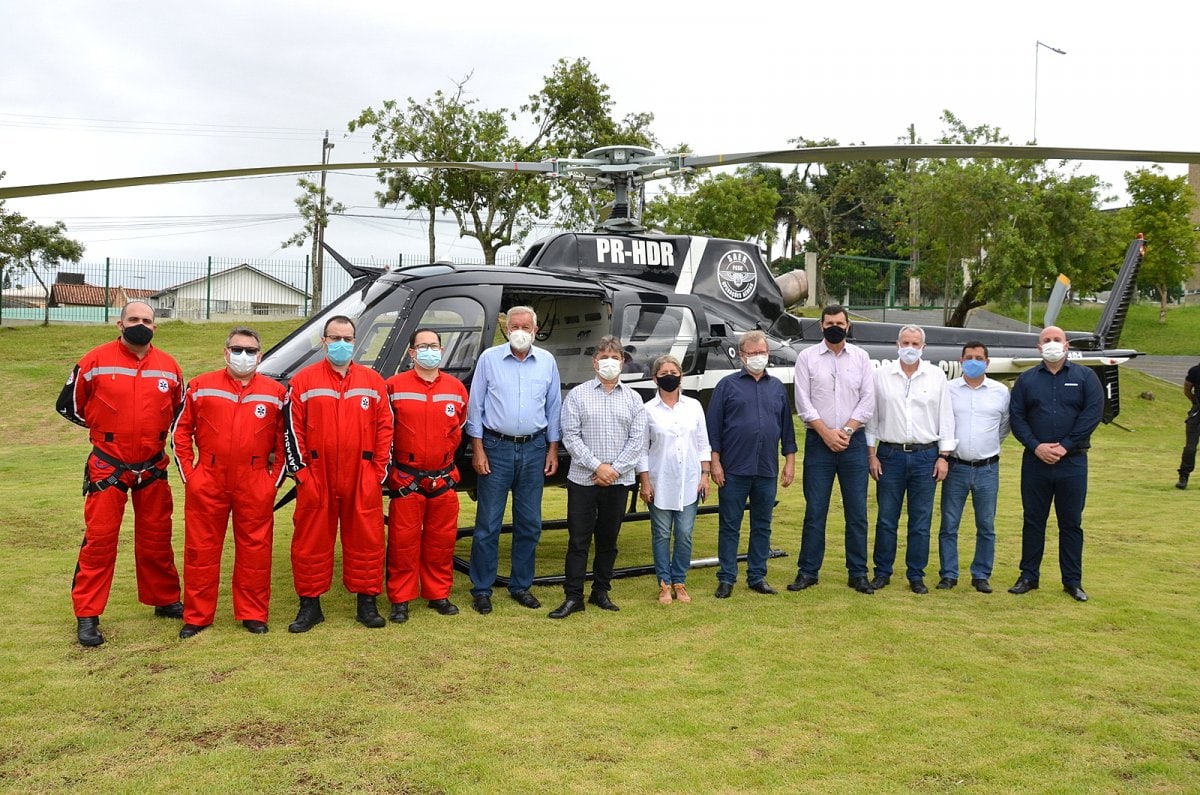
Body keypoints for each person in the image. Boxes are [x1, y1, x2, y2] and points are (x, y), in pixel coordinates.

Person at [56, 300, 184, 647]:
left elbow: (176, 411)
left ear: (155, 326)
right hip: (107, 464)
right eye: (133, 319)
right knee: (100, 540)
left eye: (146, 320)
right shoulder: (95, 360)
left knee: (157, 537)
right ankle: (87, 613)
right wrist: (105, 429)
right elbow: (69, 406)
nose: (140, 324)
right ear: (119, 323)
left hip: (153, 464)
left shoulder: (169, 366)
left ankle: (165, 599)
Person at [171, 326, 285, 637]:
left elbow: (284, 442)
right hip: (208, 478)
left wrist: (271, 481)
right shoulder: (201, 386)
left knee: (256, 550)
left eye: (250, 351)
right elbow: (180, 433)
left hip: (255, 479)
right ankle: (197, 616)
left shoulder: (275, 393)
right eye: (237, 349)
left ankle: (253, 613)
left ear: (260, 356)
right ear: (226, 352)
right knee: (200, 550)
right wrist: (191, 476)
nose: (243, 356)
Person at [283, 315, 393, 631]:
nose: (341, 344)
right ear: (324, 341)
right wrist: (302, 473)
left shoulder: (373, 382)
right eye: (335, 338)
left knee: (368, 539)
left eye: (347, 339)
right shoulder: (303, 381)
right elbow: (292, 431)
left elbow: (386, 428)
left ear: (355, 342)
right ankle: (309, 606)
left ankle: (367, 603)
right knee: (310, 541)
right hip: (317, 475)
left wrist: (376, 473)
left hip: (362, 475)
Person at [466, 306, 562, 615]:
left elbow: (553, 407)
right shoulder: (489, 359)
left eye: (526, 326)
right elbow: (475, 406)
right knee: (488, 523)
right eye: (514, 325)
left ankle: (521, 585)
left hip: (534, 449)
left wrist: (551, 449)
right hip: (496, 448)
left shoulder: (547, 361)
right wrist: (478, 448)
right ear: (506, 329)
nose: (519, 330)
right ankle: (482, 588)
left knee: (530, 523)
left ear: (535, 330)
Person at [550, 336, 648, 618]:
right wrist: (597, 467)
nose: (609, 362)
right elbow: (571, 436)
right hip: (583, 480)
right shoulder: (578, 395)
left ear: (622, 362)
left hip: (617, 481)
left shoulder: (633, 399)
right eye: (603, 357)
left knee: (608, 540)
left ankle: (601, 591)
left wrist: (613, 470)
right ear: (594, 362)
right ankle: (573, 596)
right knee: (578, 539)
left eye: (614, 357)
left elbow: (637, 441)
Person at [1008, 325, 1103, 602]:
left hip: (1072, 463)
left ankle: (1072, 581)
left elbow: (1092, 414)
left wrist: (1065, 445)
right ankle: (1028, 575)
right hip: (1035, 462)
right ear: (1038, 348)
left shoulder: (1086, 377)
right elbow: (1017, 418)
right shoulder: (1026, 380)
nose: (1051, 344)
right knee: (1033, 520)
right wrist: (1036, 446)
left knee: (1071, 522)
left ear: (1066, 345)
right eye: (1046, 340)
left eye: (1056, 339)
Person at [788, 305, 876, 595]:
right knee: (815, 510)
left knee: (857, 512)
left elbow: (867, 400)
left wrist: (846, 431)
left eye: (840, 322)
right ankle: (808, 571)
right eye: (829, 323)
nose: (834, 326)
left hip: (853, 443)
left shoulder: (862, 358)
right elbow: (803, 402)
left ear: (848, 326)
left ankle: (858, 573)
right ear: (821, 326)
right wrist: (826, 434)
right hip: (819, 444)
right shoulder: (807, 358)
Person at [383, 329, 469, 623]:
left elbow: (459, 429)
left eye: (433, 346)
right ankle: (401, 599)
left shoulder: (456, 388)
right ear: (412, 353)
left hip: (443, 478)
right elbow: (384, 432)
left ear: (441, 350)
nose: (429, 350)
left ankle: (438, 595)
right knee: (403, 543)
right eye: (423, 346)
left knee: (441, 542)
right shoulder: (393, 386)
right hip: (408, 479)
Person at [866, 325, 955, 595]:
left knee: (920, 520)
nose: (910, 348)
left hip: (925, 456)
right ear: (897, 344)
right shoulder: (880, 376)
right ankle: (882, 572)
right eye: (906, 342)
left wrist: (943, 456)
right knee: (886, 519)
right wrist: (871, 455)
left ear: (923, 348)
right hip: (889, 454)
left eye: (916, 344)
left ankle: (916, 574)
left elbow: (946, 417)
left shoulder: (937, 376)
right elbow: (872, 418)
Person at [707, 330, 797, 598]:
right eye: (753, 353)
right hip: (734, 469)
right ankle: (726, 577)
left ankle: (757, 576)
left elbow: (787, 430)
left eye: (763, 353)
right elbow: (714, 429)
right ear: (742, 355)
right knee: (730, 524)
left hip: (766, 469)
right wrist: (715, 463)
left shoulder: (777, 387)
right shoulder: (726, 386)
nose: (759, 357)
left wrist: (790, 462)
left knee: (762, 524)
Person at [936, 342, 1010, 594]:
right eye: (969, 357)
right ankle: (948, 574)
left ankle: (981, 574)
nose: (974, 361)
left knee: (986, 524)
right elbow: (942, 424)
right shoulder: (948, 390)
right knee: (949, 524)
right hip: (955, 467)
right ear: (961, 361)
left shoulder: (1001, 391)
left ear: (987, 362)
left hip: (987, 468)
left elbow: (1004, 426)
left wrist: (986, 447)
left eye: (979, 357)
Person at [637, 355, 710, 605]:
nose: (670, 375)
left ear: (681, 376)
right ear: (655, 378)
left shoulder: (694, 406)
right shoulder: (646, 410)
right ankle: (664, 583)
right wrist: (645, 482)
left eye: (674, 371)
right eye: (664, 372)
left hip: (689, 482)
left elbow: (702, 443)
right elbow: (642, 449)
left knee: (685, 533)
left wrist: (705, 474)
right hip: (660, 482)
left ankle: (680, 580)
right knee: (660, 534)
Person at [1176, 361, 1200, 490]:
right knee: (1190, 447)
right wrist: (1195, 402)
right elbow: (1187, 389)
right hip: (1197, 413)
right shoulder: (1195, 371)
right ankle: (1183, 476)